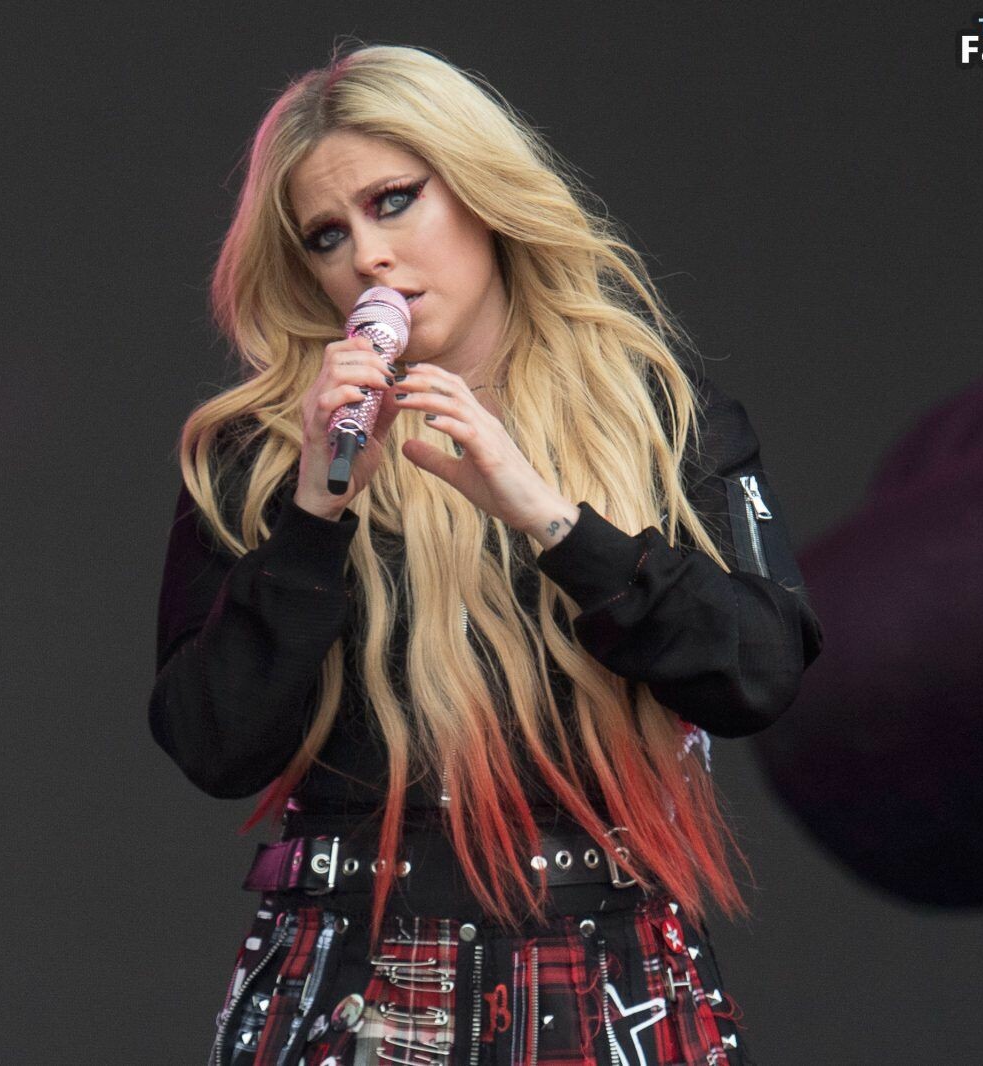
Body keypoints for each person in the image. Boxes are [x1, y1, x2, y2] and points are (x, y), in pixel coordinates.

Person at [148, 43, 823, 1066]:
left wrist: (552, 520)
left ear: (480, 190)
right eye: (328, 235)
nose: (368, 257)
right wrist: (314, 515)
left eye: (394, 202)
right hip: (352, 984)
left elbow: (758, 670)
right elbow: (213, 742)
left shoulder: (654, 417)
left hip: (607, 980)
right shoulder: (262, 454)